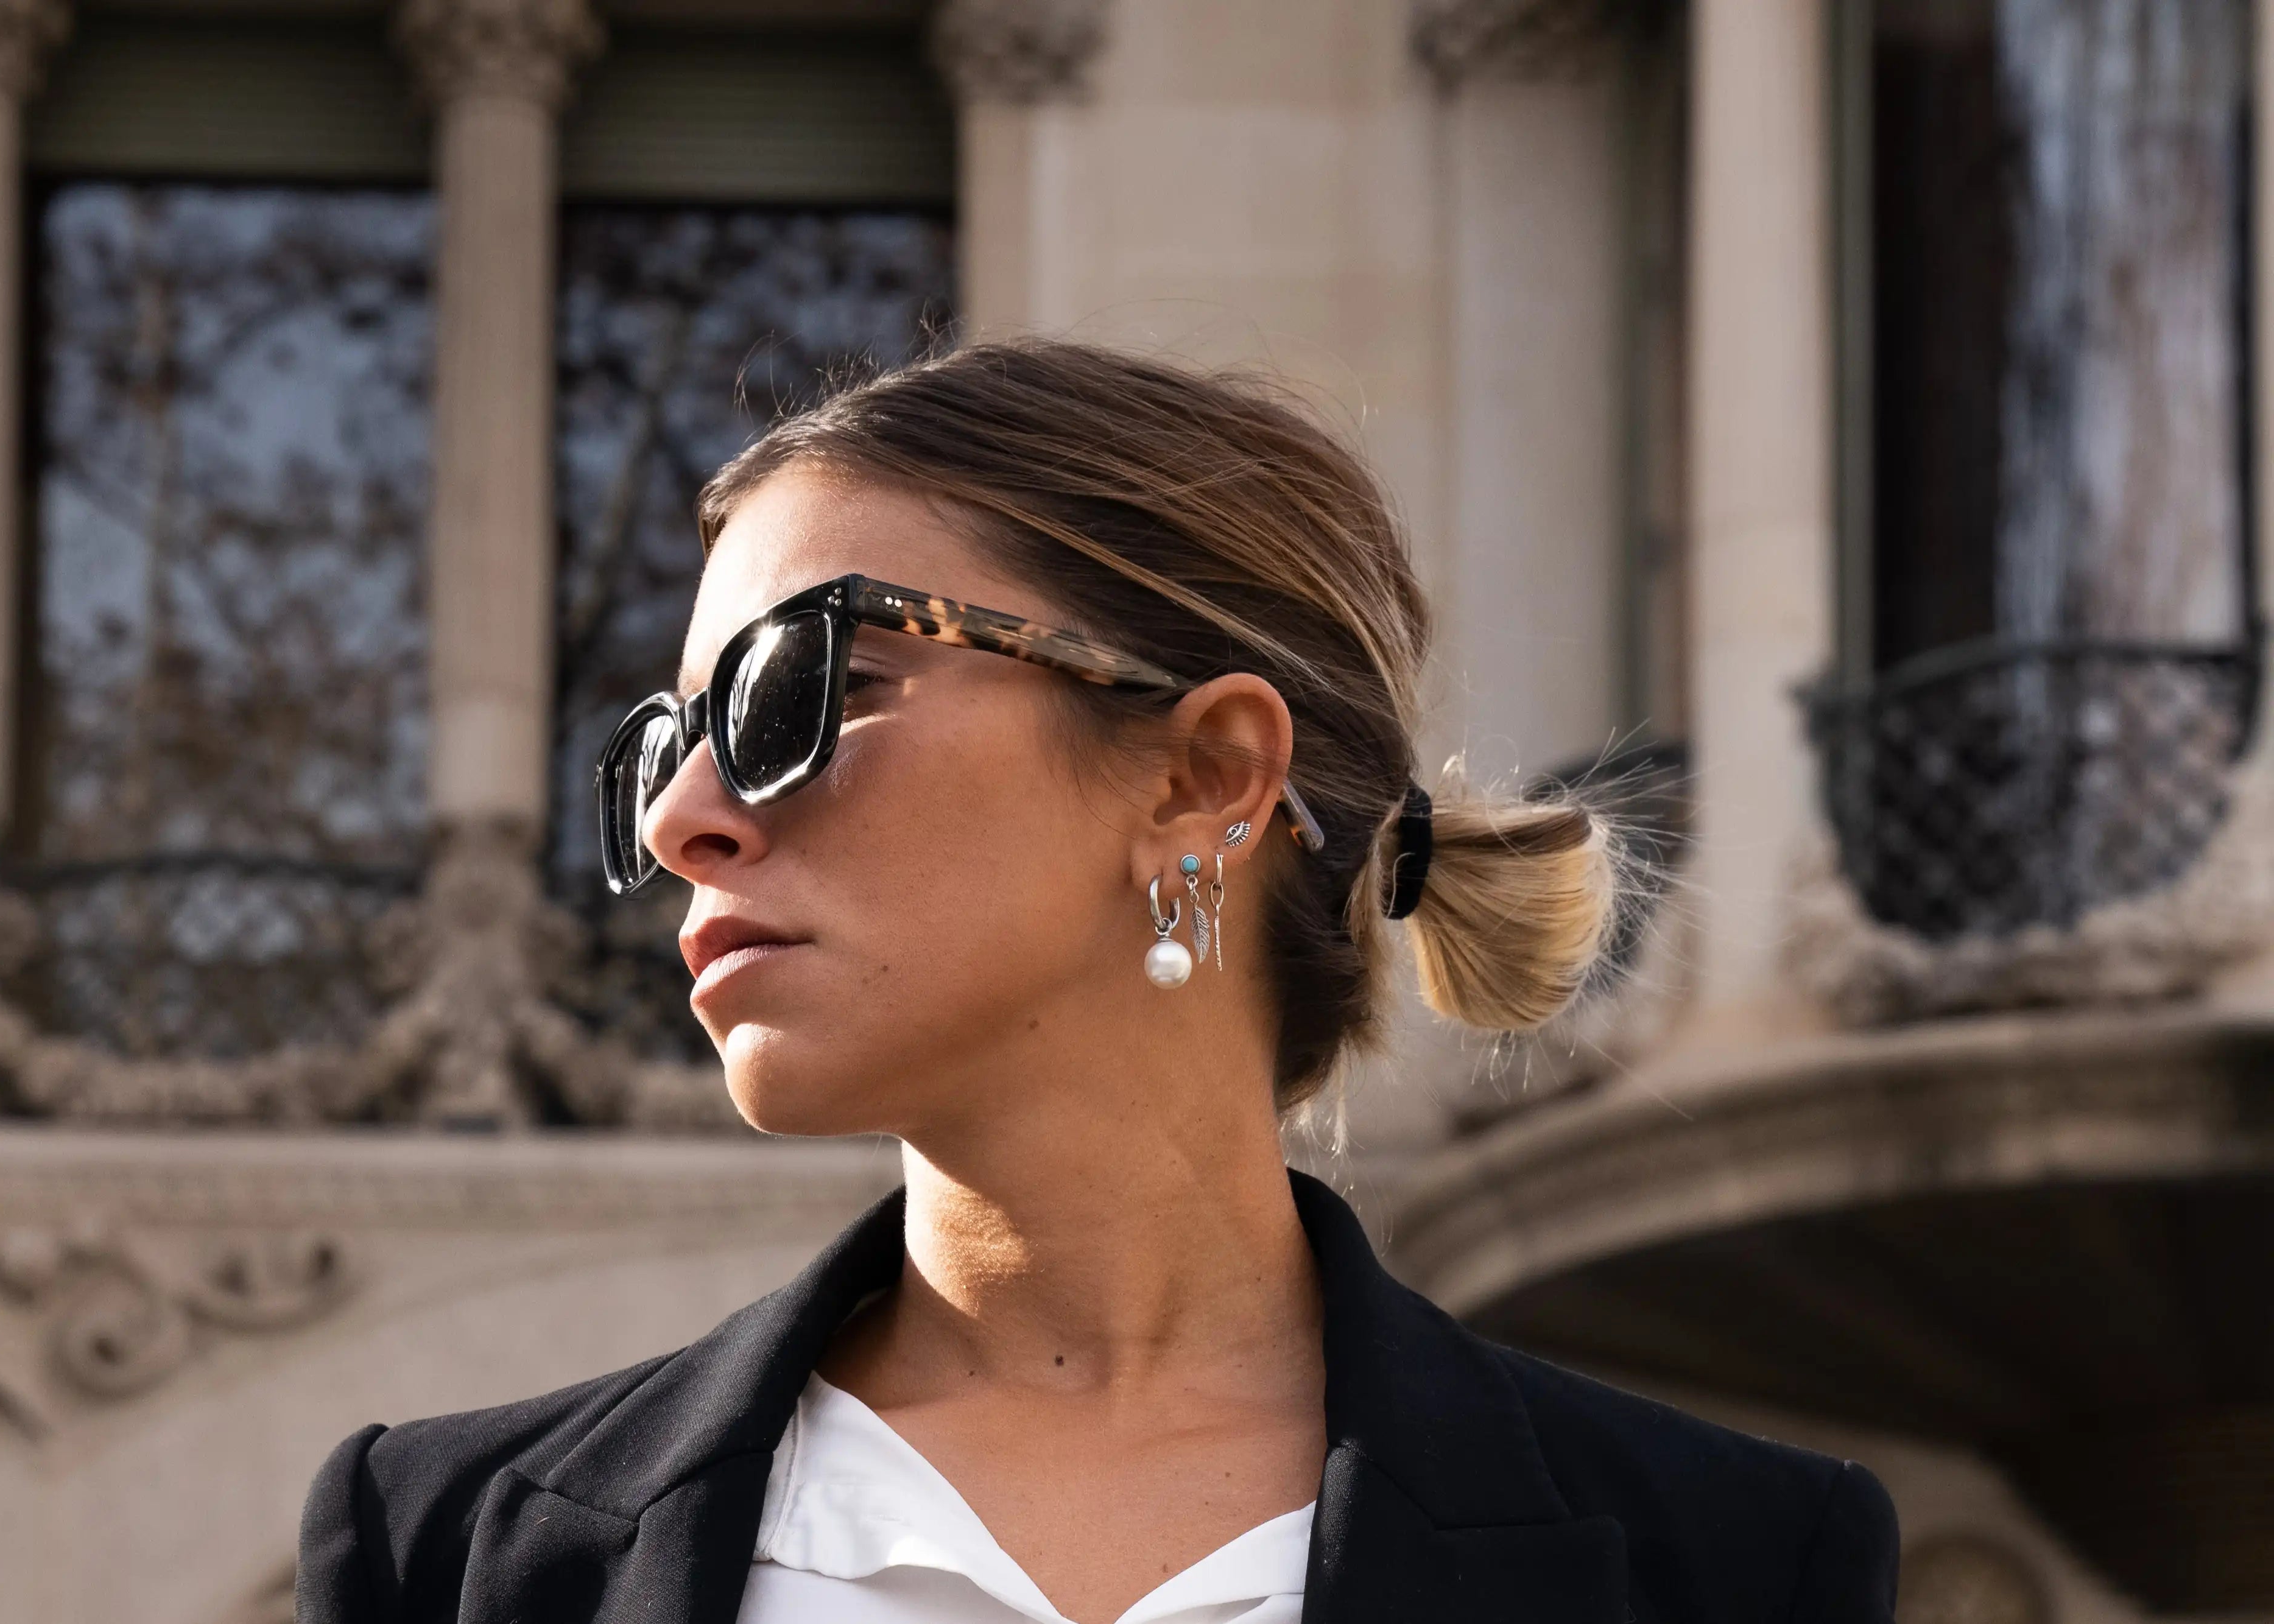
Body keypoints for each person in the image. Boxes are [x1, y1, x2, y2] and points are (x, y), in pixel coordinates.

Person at [296, 340, 1898, 1624]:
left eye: (805, 689)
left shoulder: (1727, 1567)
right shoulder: (446, 1557)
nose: (680, 816)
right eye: (665, 740)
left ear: (1204, 776)